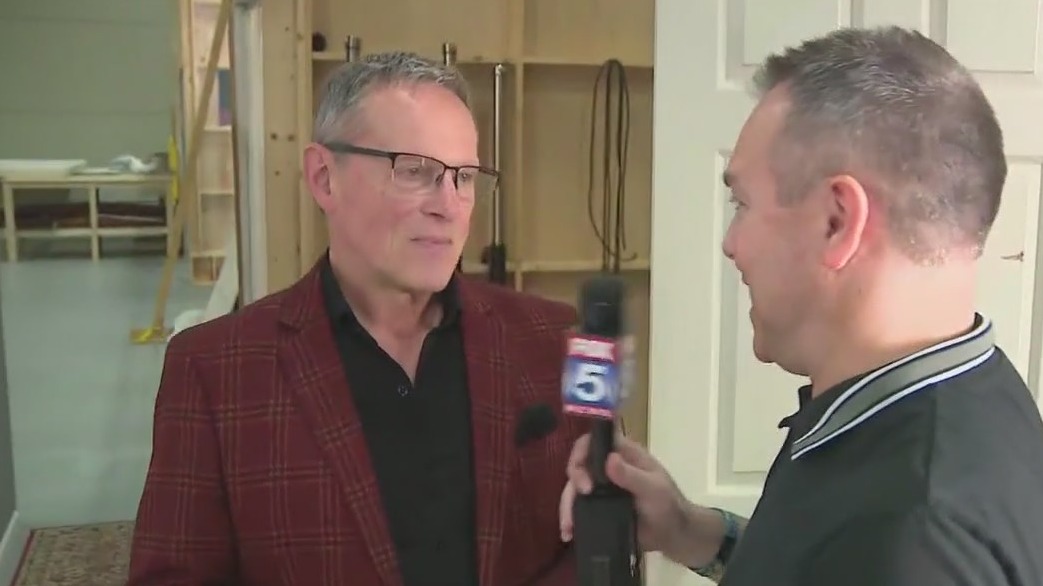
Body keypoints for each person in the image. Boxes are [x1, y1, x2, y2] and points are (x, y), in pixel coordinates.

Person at [560, 26, 1043, 586]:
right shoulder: (952, 396)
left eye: (742, 202)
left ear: (837, 221)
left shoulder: (914, 536)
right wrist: (689, 531)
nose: (731, 244)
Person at [128, 52, 587, 586]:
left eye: (463, 177)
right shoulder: (214, 370)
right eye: (414, 171)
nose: (448, 205)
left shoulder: (554, 339)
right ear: (324, 178)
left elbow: (602, 546)